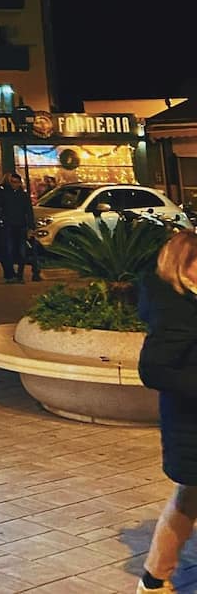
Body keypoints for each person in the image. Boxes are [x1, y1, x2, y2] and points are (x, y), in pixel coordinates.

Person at [135, 229, 197, 593]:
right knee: (187, 500)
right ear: (182, 265)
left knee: (187, 500)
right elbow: (153, 369)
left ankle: (154, 579)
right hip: (190, 423)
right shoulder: (176, 309)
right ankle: (153, 579)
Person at [0, 170, 35, 282]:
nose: (14, 184)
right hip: (9, 225)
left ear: (19, 183)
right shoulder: (5, 194)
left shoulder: (23, 196)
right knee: (9, 250)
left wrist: (30, 227)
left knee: (21, 251)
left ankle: (19, 274)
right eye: (12, 182)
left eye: (16, 182)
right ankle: (11, 274)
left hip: (20, 226)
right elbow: (0, 208)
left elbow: (29, 211)